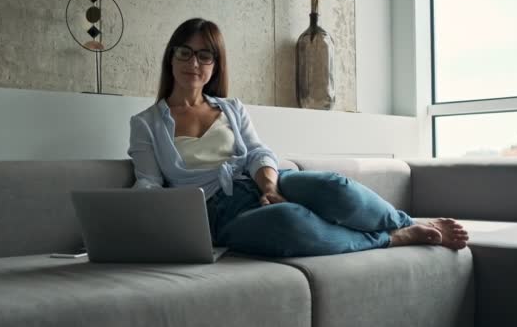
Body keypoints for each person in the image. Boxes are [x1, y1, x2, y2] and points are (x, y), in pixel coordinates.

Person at [128, 18, 469, 257]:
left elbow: (258, 152)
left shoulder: (231, 108)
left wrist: (270, 188)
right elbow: (149, 182)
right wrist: (130, 211)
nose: (194, 63)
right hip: (216, 215)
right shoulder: (146, 123)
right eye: (185, 52)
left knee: (335, 187)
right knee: (289, 222)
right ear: (171, 57)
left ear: (215, 65)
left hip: (262, 181)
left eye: (205, 55)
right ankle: (392, 239)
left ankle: (406, 222)